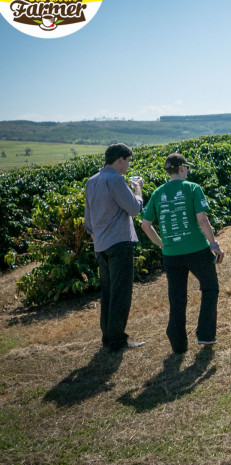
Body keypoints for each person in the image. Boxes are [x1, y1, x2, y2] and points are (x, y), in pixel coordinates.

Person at [141, 153, 225, 353]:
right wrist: (214, 245)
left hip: (171, 254)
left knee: (177, 297)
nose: (188, 170)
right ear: (180, 168)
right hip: (197, 249)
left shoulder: (158, 193)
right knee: (210, 288)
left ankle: (178, 342)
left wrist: (163, 245)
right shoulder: (193, 188)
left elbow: (145, 225)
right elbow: (202, 220)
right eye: (186, 167)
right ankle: (205, 335)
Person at [84, 143, 146, 352]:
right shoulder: (116, 180)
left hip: (100, 244)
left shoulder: (92, 181)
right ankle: (118, 340)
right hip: (119, 242)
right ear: (120, 159)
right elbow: (134, 209)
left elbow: (88, 222)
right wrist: (138, 189)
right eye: (128, 160)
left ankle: (108, 338)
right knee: (121, 292)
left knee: (108, 292)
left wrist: (98, 237)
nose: (128, 165)